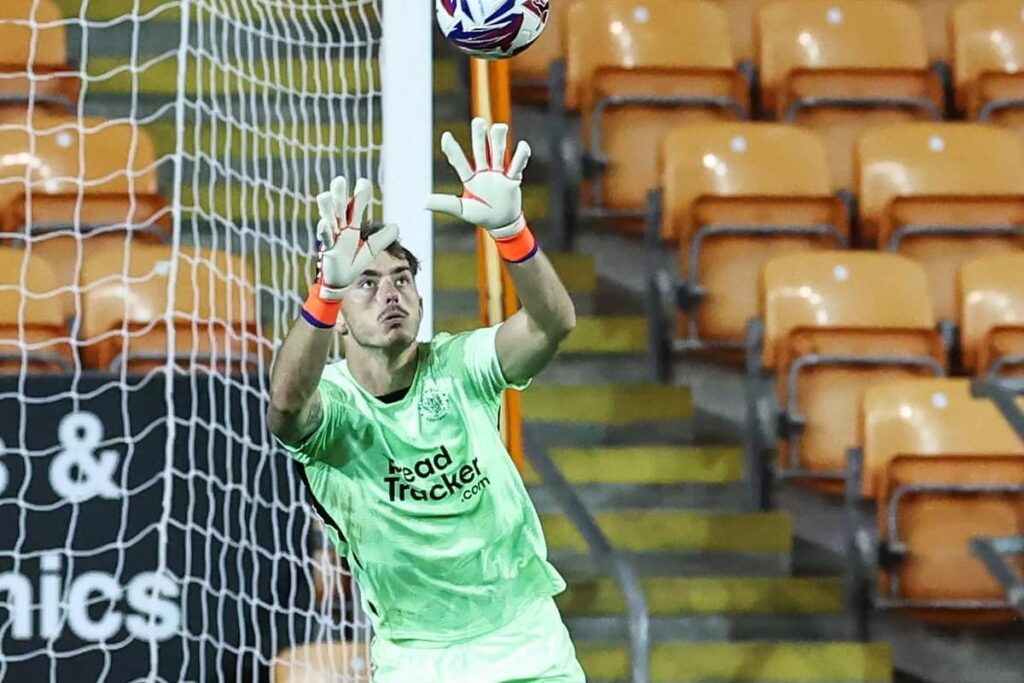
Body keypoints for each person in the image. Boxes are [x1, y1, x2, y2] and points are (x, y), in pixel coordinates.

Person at [267, 117, 586, 683]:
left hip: (527, 641)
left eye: (402, 279)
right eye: (367, 283)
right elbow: (287, 408)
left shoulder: (462, 366)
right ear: (339, 318)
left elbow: (553, 323)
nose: (390, 293)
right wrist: (325, 292)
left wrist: (512, 231)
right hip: (418, 659)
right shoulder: (334, 407)